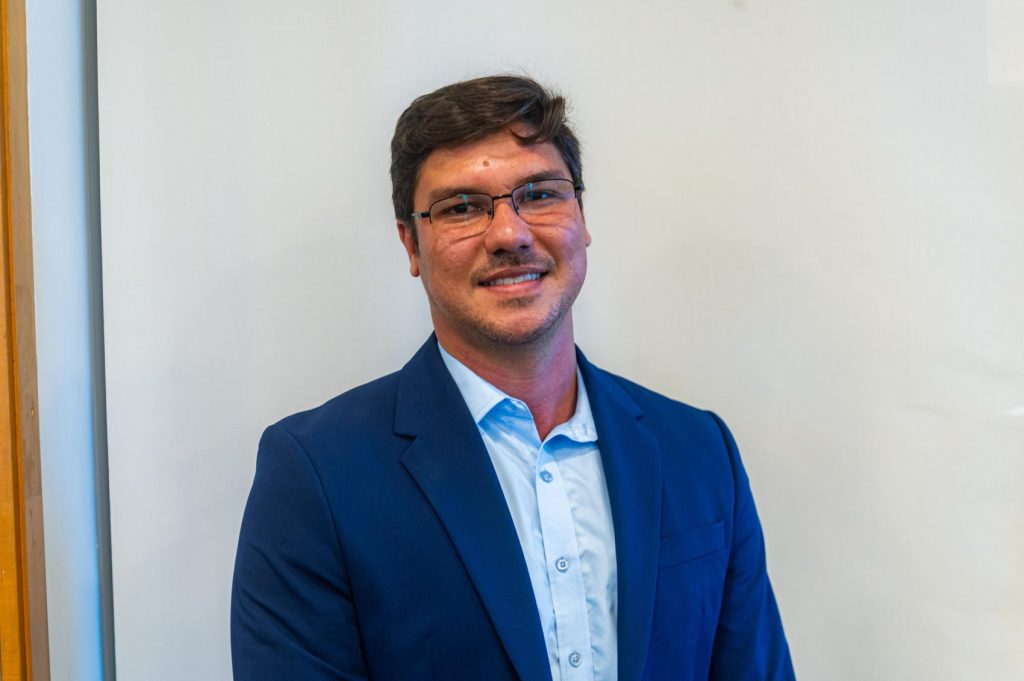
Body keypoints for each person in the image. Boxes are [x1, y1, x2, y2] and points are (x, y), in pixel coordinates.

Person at [231, 74, 795, 681]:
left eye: (540, 194)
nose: (510, 234)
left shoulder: (699, 450)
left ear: (582, 216)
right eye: (462, 208)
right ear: (411, 245)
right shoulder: (318, 475)